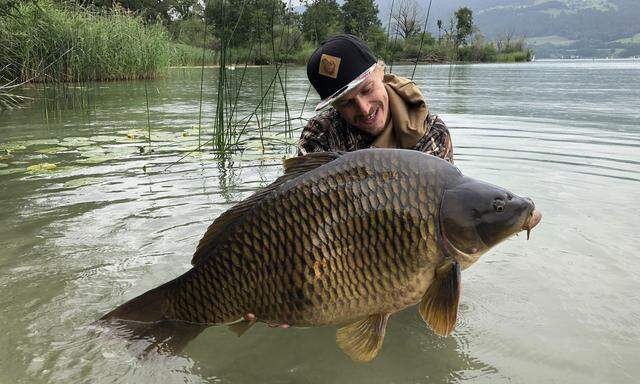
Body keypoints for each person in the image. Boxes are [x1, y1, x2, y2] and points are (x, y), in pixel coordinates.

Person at [298, 34, 454, 164]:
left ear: (381, 72)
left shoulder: (432, 132)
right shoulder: (320, 134)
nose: (364, 109)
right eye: (346, 102)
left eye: (367, 89)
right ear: (334, 106)